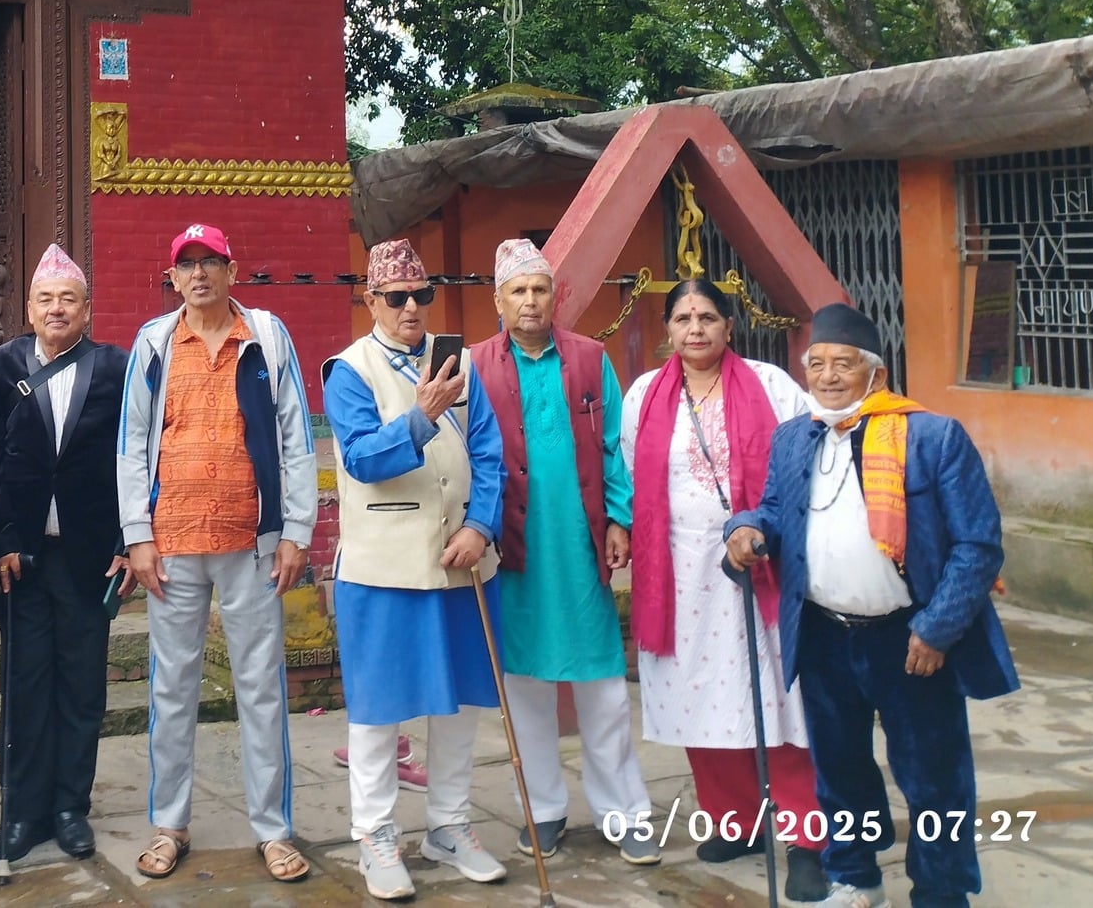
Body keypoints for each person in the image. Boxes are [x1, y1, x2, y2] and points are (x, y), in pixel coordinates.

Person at [726, 303, 1017, 908]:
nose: (828, 376)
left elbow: (978, 544)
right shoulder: (794, 437)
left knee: (934, 778)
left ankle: (942, 892)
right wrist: (747, 529)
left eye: (844, 365)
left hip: (910, 639)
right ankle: (856, 878)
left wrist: (937, 629)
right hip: (826, 635)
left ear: (876, 376)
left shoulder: (931, 437)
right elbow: (776, 512)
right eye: (817, 364)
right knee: (841, 771)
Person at [118, 224, 318, 884]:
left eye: (211, 263)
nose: (199, 274)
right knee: (171, 690)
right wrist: (137, 537)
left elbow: (294, 437)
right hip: (172, 543)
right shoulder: (154, 342)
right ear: (172, 276)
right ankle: (169, 824)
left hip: (251, 543)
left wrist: (296, 532)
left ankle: (273, 829)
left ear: (234, 270)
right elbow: (133, 444)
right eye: (187, 264)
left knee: (260, 688)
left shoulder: (265, 337)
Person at [621, 278, 826, 900]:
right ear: (668, 329)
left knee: (777, 701)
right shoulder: (642, 396)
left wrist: (763, 530)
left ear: (729, 326)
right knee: (696, 697)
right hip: (678, 573)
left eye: (708, 316)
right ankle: (735, 820)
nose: (696, 328)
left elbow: (803, 464)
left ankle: (805, 838)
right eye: (683, 318)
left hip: (760, 565)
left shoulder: (770, 385)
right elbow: (631, 474)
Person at [324, 239, 507, 898]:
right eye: (395, 297)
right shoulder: (349, 369)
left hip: (461, 561)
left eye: (420, 296)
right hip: (383, 567)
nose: (410, 308)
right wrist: (423, 416)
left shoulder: (457, 364)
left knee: (459, 703)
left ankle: (450, 823)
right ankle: (375, 834)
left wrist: (480, 526)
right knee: (378, 709)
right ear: (370, 300)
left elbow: (488, 450)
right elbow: (364, 460)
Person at [468, 237, 656, 863]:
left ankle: (624, 813)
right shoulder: (475, 365)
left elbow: (613, 449)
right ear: (498, 300)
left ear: (556, 297)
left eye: (539, 289)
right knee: (524, 685)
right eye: (517, 291)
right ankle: (542, 809)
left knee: (602, 684)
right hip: (513, 548)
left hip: (579, 545)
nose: (529, 301)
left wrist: (619, 520)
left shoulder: (589, 358)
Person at [0, 245, 130, 866]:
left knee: (82, 684)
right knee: (25, 683)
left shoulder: (114, 367)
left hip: (91, 553)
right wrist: (1, 540)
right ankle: (20, 812)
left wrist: (128, 543)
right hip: (23, 556)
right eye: (46, 299)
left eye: (69, 299)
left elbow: (135, 458)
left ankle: (71, 807)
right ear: (29, 308)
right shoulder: (0, 364)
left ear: (86, 309)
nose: (57, 308)